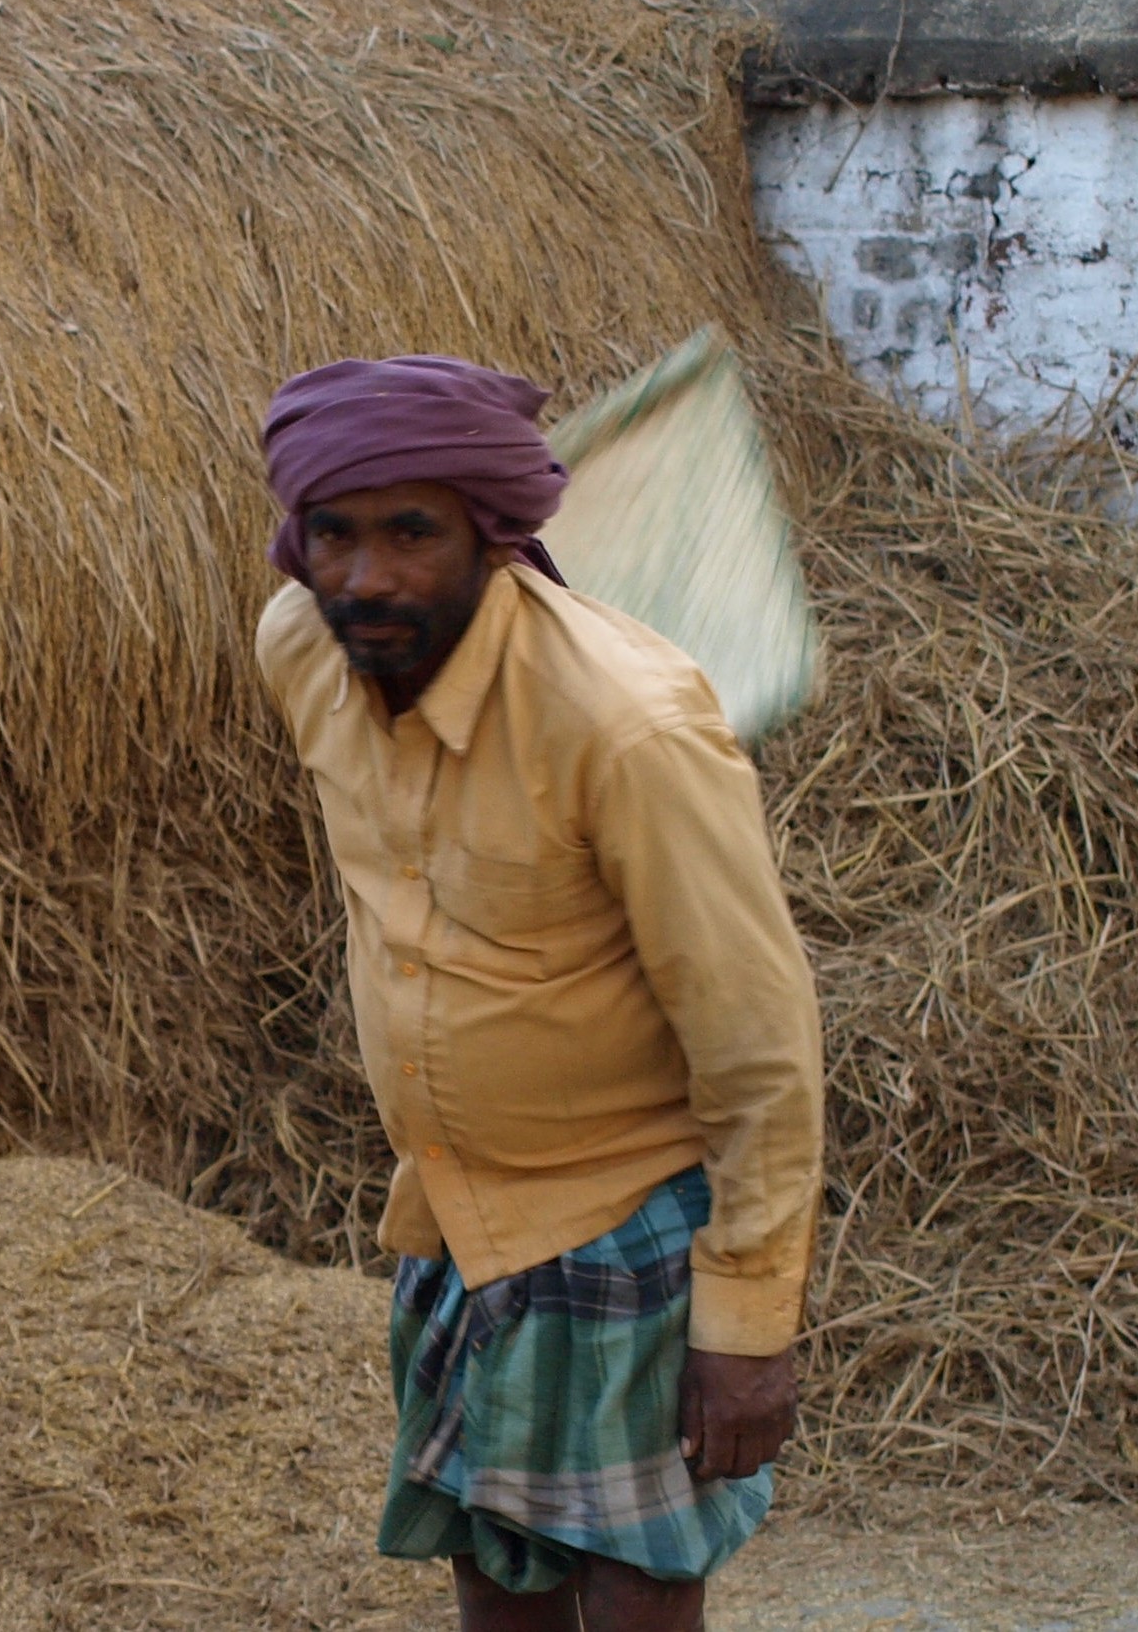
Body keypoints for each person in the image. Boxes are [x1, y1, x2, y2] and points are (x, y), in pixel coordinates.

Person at [250, 356, 825, 1631]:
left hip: (626, 1215)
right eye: (334, 533)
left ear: (494, 536)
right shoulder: (300, 647)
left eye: (413, 532)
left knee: (630, 1587)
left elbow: (758, 1047)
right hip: (458, 1213)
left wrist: (746, 1321)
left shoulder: (626, 726)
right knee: (492, 1559)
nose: (365, 577)